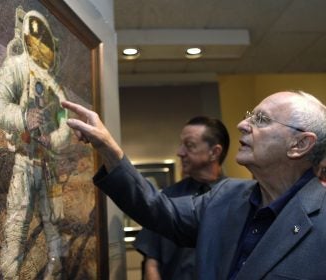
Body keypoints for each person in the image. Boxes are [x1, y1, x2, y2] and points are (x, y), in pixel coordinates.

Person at [62, 90, 326, 279]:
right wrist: (108, 148)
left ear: (300, 145)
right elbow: (156, 208)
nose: (242, 124)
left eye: (261, 120)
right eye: (249, 116)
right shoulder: (225, 197)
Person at [0, 7, 70, 280]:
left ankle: (56, 266)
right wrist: (23, 117)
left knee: (51, 221)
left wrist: (53, 138)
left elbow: (65, 126)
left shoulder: (54, 85)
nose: (40, 45)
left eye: (44, 41)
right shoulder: (16, 67)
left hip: (47, 164)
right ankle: (10, 273)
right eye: (36, 40)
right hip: (25, 159)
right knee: (17, 223)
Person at [134, 116, 230, 280]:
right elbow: (151, 261)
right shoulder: (168, 198)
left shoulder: (236, 198)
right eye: (181, 144)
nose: (180, 152)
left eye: (189, 145)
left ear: (214, 152)